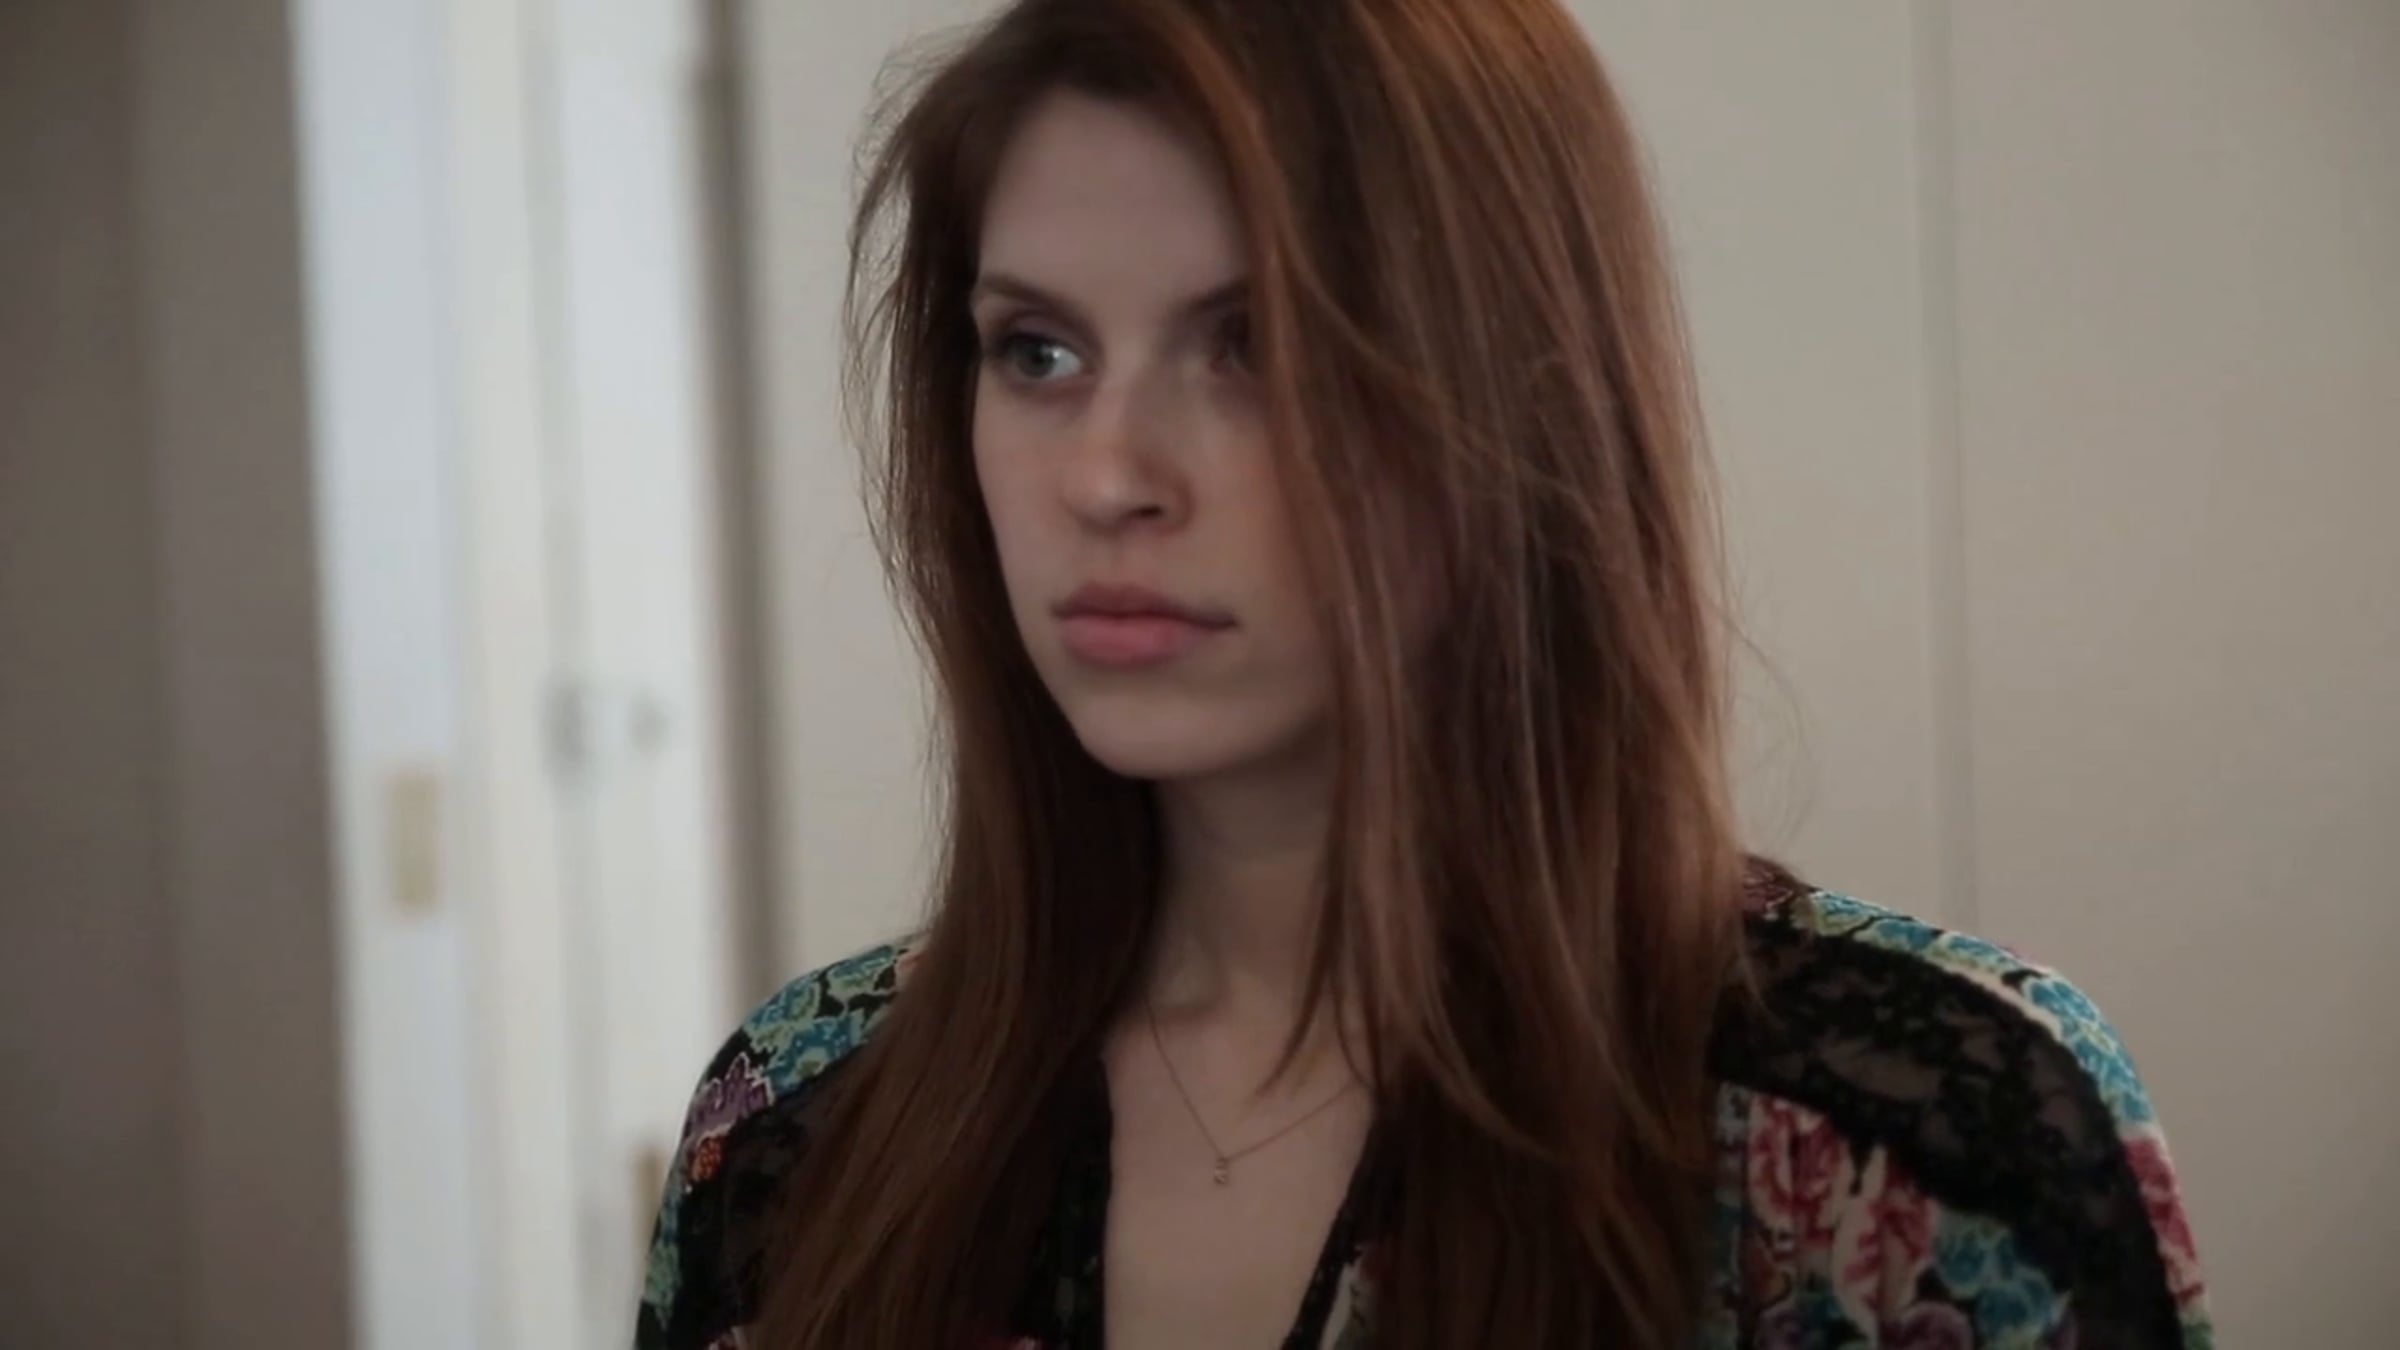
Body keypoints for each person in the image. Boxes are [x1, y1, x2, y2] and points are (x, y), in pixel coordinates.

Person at [637, 0, 2211, 1346]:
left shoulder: (1916, 1142)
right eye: (1037, 352)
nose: (1106, 476)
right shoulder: (802, 1128)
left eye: (1254, 345)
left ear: (1518, 402)